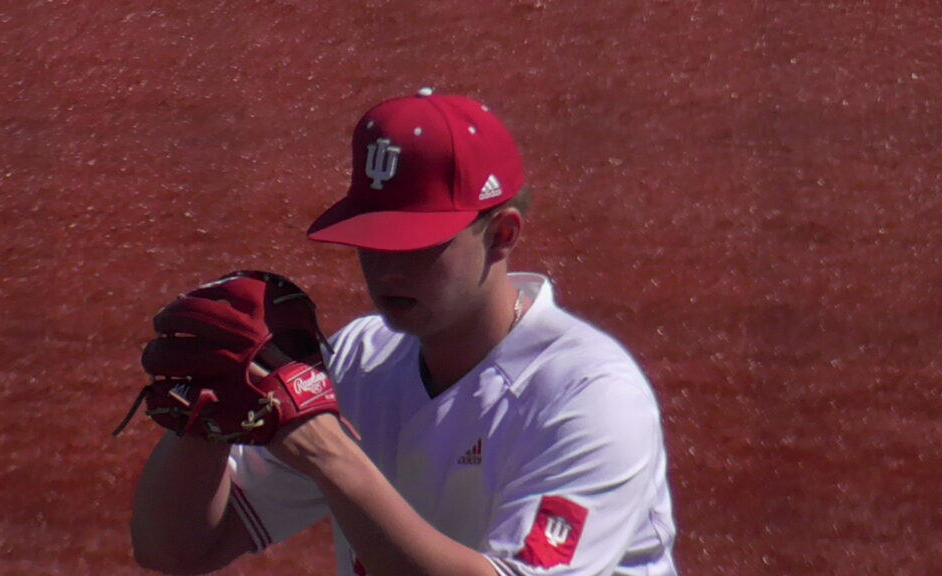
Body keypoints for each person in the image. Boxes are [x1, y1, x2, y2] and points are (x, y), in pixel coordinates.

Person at [130, 88, 677, 576]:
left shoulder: (590, 394)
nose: (387, 270)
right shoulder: (359, 361)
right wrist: (204, 424)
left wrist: (333, 458)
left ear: (502, 234)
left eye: (418, 244)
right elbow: (178, 551)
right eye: (374, 239)